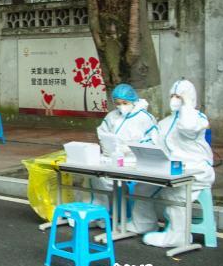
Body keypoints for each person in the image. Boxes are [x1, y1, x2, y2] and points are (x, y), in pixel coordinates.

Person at [138, 80, 215, 248]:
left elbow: (187, 128)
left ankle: (178, 237)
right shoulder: (166, 122)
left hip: (195, 171)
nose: (174, 100)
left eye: (179, 96)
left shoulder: (197, 118)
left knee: (175, 193)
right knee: (142, 187)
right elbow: (152, 140)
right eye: (172, 96)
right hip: (170, 169)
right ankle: (142, 223)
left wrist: (187, 105)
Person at [90, 83, 160, 212]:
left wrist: (131, 148)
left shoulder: (144, 118)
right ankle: (100, 213)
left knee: (134, 185)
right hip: (113, 158)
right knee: (96, 177)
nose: (121, 106)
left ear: (133, 100)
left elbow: (153, 141)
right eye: (117, 103)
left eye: (125, 103)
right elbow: (103, 133)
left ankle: (118, 214)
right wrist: (108, 146)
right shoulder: (112, 116)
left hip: (135, 161)